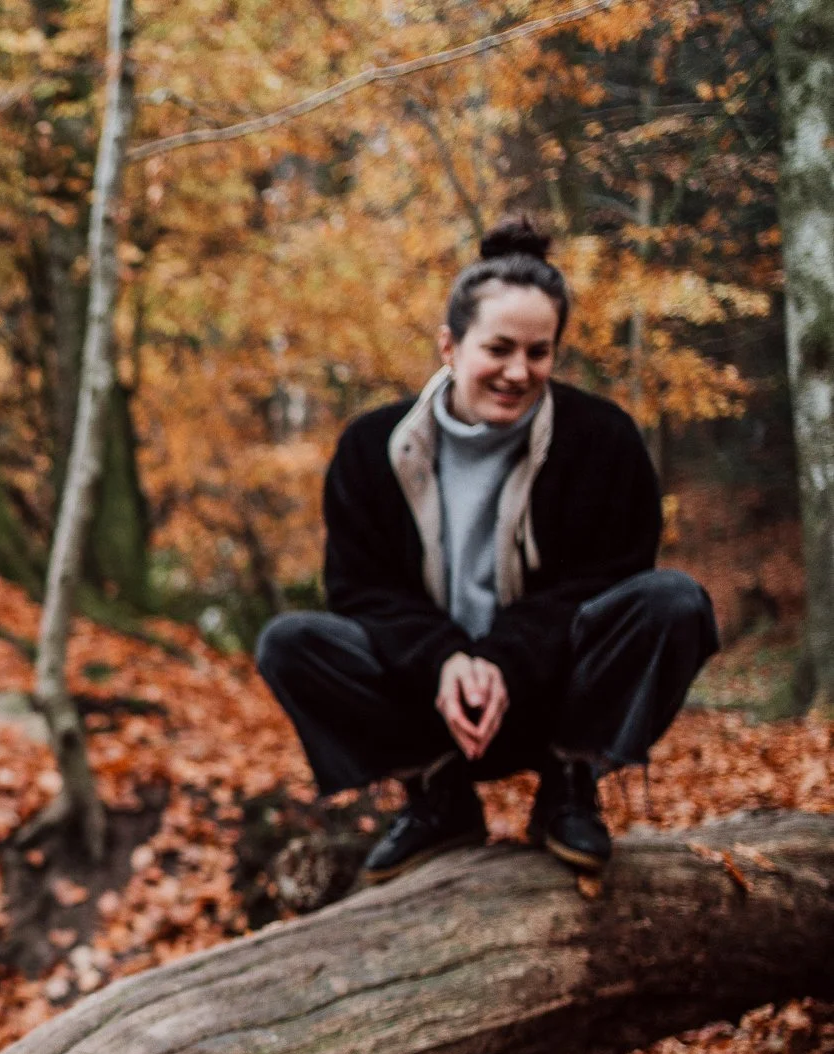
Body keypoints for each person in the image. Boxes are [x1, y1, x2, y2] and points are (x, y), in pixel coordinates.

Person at [255, 219, 719, 884]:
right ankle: (436, 794)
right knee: (289, 643)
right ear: (449, 345)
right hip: (424, 700)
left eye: (539, 352)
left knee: (675, 602)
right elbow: (361, 591)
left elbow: (608, 580)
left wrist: (503, 659)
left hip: (554, 691)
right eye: (498, 348)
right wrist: (445, 660)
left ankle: (569, 781)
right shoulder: (370, 449)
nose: (518, 371)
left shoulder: (604, 440)